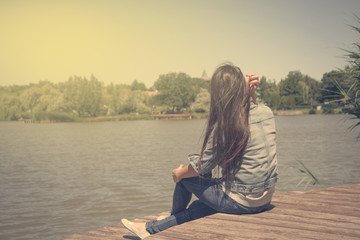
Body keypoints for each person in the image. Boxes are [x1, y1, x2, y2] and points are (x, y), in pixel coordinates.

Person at [121, 63, 278, 239]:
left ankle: (169, 217)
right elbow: (252, 117)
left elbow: (202, 168)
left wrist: (179, 172)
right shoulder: (267, 112)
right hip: (264, 198)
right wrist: (251, 95)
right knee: (197, 208)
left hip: (242, 200)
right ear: (243, 88)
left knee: (185, 179)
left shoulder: (227, 125)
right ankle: (149, 229)